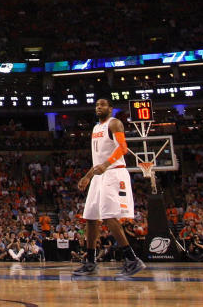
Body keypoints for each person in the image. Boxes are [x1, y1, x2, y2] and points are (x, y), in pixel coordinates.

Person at [73, 98, 146, 278]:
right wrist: (88, 176)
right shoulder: (96, 128)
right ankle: (90, 262)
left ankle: (132, 259)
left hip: (114, 172)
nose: (99, 107)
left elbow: (123, 148)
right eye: (97, 105)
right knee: (90, 217)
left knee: (108, 216)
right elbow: (98, 159)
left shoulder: (114, 123)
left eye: (103, 105)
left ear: (110, 108)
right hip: (99, 175)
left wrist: (106, 165)